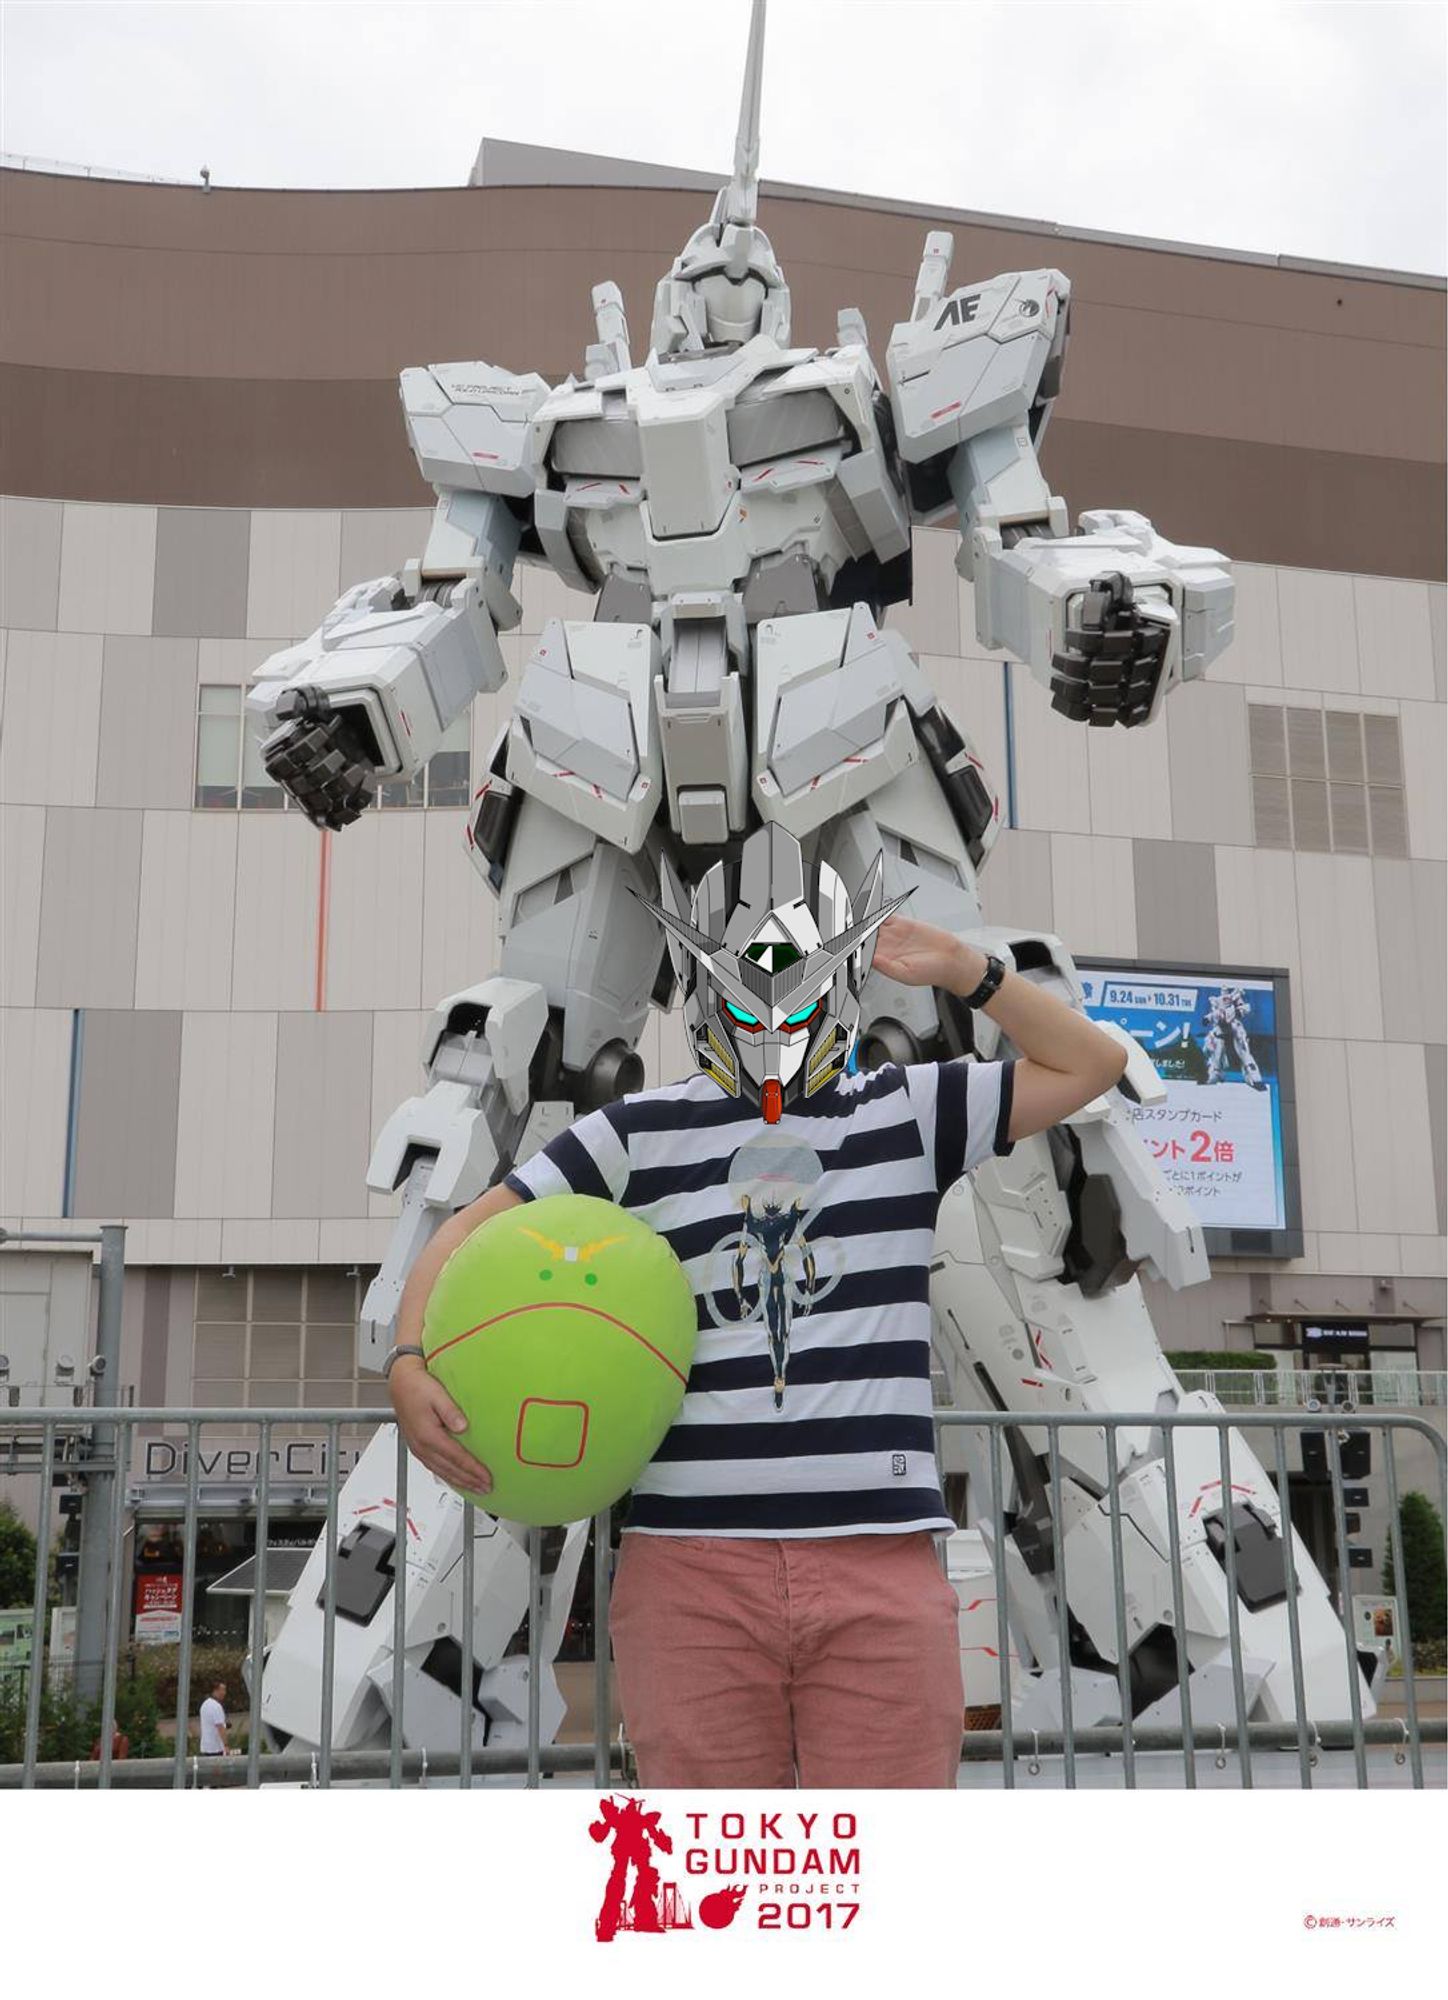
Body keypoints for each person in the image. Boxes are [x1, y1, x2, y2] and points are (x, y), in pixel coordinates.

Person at [388, 829, 1128, 1788]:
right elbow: (470, 1229)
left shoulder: (905, 1110)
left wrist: (962, 966)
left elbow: (1090, 1065)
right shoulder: (636, 1134)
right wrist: (406, 1360)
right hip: (691, 1576)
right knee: (715, 1882)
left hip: (879, 1569)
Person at [198, 1680, 230, 1756]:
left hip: (205, 1746)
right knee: (217, 1767)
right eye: (222, 1690)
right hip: (215, 1747)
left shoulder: (205, 1704)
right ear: (215, 1690)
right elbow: (220, 1727)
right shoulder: (216, 1706)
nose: (224, 1693)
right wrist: (226, 1745)